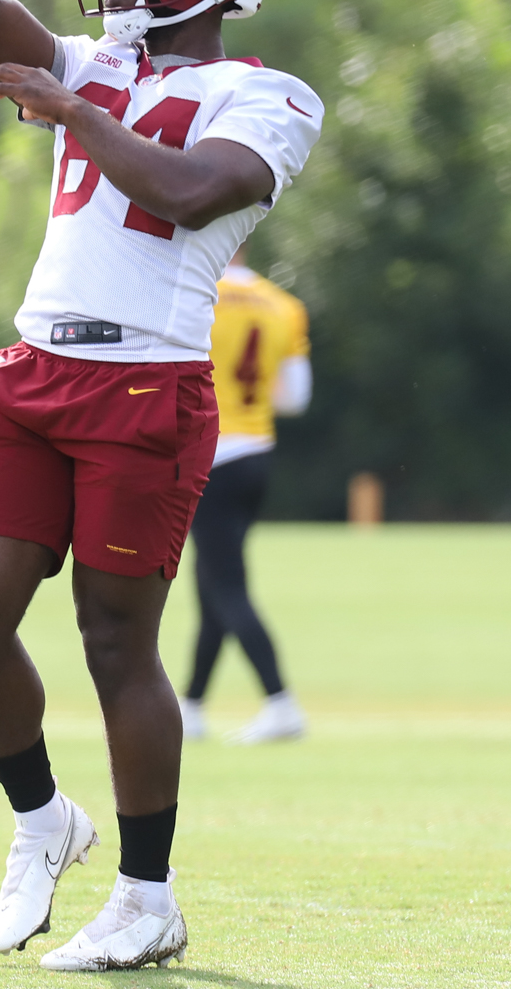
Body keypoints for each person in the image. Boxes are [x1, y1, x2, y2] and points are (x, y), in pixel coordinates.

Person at [0, 0, 323, 970]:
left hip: (148, 383)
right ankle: (43, 818)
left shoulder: (268, 96)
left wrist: (72, 110)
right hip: (35, 370)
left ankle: (146, 894)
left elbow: (188, 192)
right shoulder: (94, 62)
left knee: (114, 643)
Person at [179, 243, 312, 744]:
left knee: (226, 585)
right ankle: (190, 706)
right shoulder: (283, 304)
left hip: (210, 453)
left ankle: (281, 702)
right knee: (214, 579)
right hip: (257, 452)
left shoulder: (196, 297)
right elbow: (296, 397)